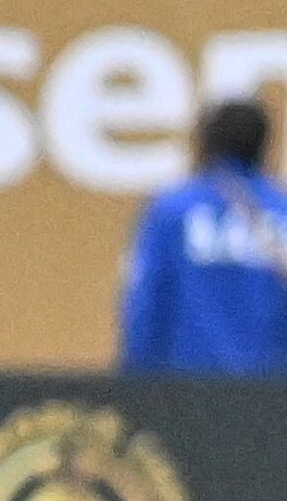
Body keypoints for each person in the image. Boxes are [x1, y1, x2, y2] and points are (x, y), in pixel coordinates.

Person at [117, 97, 287, 376]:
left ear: (207, 142)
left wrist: (133, 386)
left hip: (186, 396)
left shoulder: (172, 211)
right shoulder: (282, 211)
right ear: (264, 145)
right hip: (272, 400)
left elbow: (147, 304)